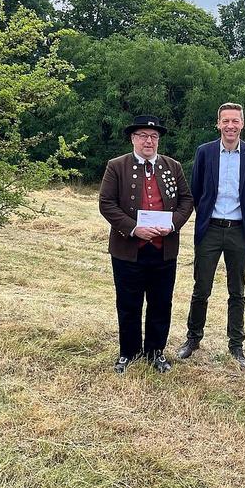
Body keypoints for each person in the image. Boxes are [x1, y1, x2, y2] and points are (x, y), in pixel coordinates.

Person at [99, 115, 193, 374]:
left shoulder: (173, 166)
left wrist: (173, 223)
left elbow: (186, 200)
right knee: (128, 303)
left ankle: (155, 352)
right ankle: (128, 353)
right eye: (143, 136)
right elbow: (106, 203)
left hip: (163, 249)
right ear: (133, 139)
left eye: (153, 137)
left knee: (161, 303)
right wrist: (133, 229)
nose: (148, 141)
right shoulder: (116, 166)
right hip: (128, 250)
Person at [177, 102, 245, 368]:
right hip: (210, 229)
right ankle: (193, 339)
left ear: (242, 124)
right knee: (201, 288)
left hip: (238, 231)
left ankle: (236, 345)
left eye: (235, 121)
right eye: (225, 121)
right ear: (218, 124)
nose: (230, 126)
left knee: (237, 291)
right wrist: (206, 219)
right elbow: (197, 189)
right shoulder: (205, 152)